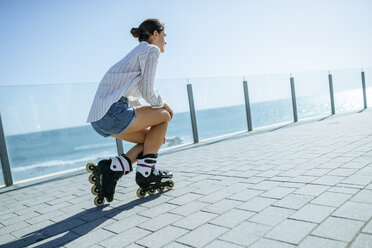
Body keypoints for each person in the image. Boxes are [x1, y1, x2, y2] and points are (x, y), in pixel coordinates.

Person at [86, 18, 174, 206]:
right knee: (165, 116)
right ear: (155, 34)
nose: (165, 41)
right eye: (164, 36)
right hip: (114, 112)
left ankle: (113, 169)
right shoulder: (151, 50)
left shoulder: (135, 53)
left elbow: (136, 97)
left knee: (150, 141)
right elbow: (149, 93)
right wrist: (165, 105)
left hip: (100, 119)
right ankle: (146, 174)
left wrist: (155, 135)